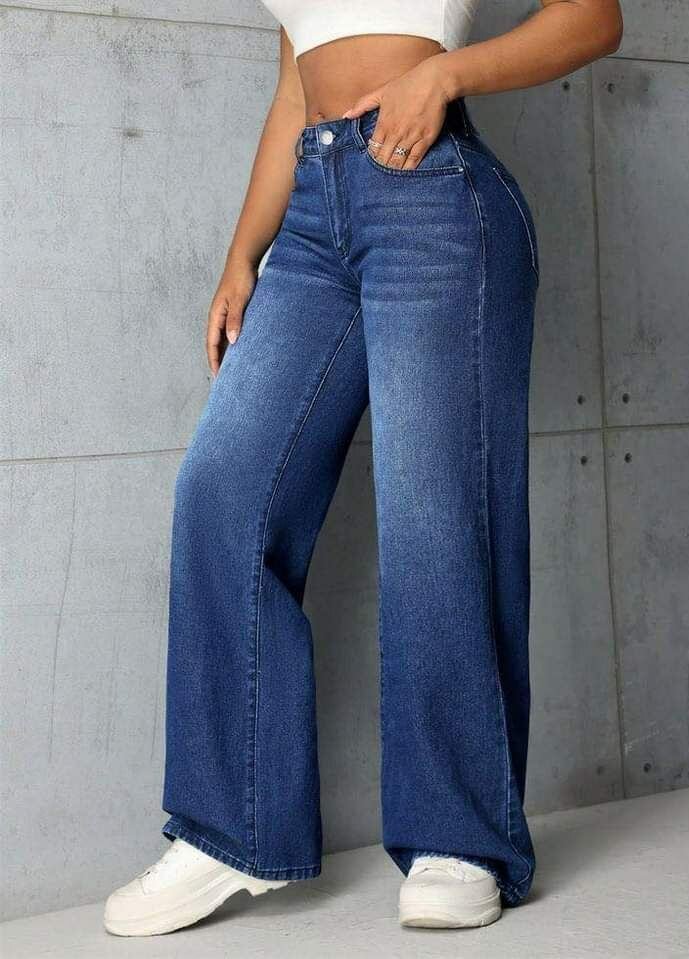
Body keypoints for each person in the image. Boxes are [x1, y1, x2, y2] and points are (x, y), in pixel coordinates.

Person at [104, 0, 623, 937]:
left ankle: (459, 837)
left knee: (433, 514)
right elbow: (293, 91)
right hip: (311, 216)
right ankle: (229, 828)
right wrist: (242, 253)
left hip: (432, 192)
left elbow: (595, 17)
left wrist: (445, 75)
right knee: (224, 493)